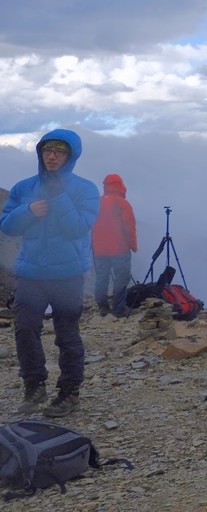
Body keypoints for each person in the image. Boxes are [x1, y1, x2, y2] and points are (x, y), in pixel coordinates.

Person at [1, 129, 99, 417]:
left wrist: (60, 199)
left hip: (68, 274)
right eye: (47, 151)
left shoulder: (84, 189)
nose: (52, 156)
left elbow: (79, 227)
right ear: (40, 153)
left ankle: (69, 392)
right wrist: (29, 210)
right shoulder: (24, 188)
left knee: (67, 334)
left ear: (71, 156)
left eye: (59, 152)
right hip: (31, 272)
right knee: (25, 328)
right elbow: (7, 226)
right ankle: (34, 386)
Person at [92, 173, 138, 317]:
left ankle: (103, 307)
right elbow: (129, 227)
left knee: (101, 277)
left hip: (99, 249)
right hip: (119, 248)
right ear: (119, 185)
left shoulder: (96, 203)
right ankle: (119, 308)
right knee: (122, 276)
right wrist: (133, 246)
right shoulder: (122, 203)